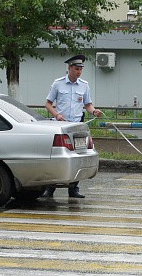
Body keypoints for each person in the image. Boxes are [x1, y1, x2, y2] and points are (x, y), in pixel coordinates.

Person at [43, 54, 103, 199]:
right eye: (76, 69)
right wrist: (57, 114)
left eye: (81, 69)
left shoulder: (84, 85)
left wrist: (94, 111)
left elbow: (87, 105)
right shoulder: (58, 84)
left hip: (76, 126)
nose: (79, 72)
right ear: (69, 68)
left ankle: (74, 189)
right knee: (57, 157)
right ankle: (50, 189)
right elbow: (48, 104)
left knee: (77, 157)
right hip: (61, 126)